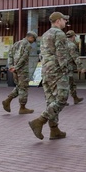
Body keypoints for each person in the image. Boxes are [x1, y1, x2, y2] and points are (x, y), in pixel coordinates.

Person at [28, 12, 70, 141]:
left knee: (51, 101)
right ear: (58, 21)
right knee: (62, 99)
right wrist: (65, 70)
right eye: (64, 20)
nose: (65, 22)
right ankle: (40, 121)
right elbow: (61, 54)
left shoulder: (45, 34)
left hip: (45, 70)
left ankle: (54, 130)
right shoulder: (59, 34)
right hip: (57, 70)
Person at [2, 30, 37, 115]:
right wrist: (16, 67)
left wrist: (11, 66)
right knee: (23, 88)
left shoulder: (16, 43)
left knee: (19, 86)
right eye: (34, 40)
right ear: (31, 37)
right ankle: (22, 107)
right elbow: (24, 58)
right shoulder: (27, 45)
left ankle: (7, 101)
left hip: (15, 70)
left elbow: (10, 55)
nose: (33, 42)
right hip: (22, 70)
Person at [64, 30, 84, 105]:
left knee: (65, 83)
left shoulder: (62, 44)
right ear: (73, 37)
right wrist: (80, 66)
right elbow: (75, 57)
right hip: (69, 67)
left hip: (61, 67)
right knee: (70, 83)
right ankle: (66, 100)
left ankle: (75, 98)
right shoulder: (71, 45)